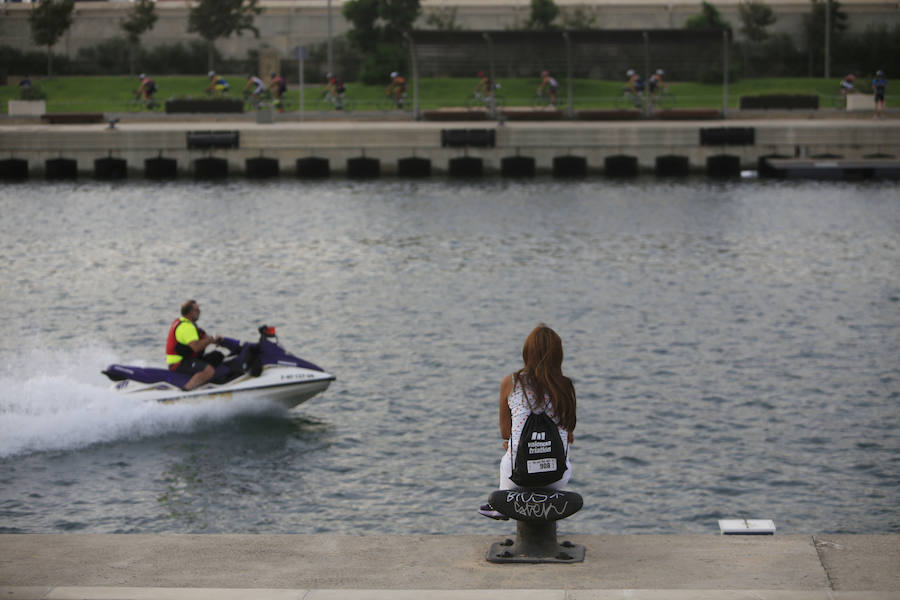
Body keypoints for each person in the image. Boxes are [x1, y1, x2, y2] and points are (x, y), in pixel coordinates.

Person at [479, 324, 577, 520]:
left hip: (516, 476)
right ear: (559, 355)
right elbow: (570, 431)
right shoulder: (565, 385)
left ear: (526, 353)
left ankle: (500, 507)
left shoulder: (511, 382)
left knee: (510, 452)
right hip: (557, 476)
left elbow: (506, 433)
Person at [165, 299, 223, 391]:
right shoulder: (186, 327)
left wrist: (216, 340)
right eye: (197, 310)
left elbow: (203, 337)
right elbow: (196, 347)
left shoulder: (188, 323)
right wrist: (210, 340)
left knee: (217, 356)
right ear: (190, 313)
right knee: (208, 370)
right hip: (178, 363)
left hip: (186, 359)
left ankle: (209, 384)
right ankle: (185, 391)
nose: (200, 311)